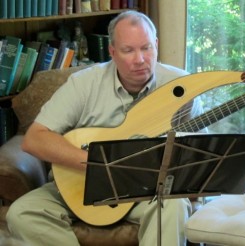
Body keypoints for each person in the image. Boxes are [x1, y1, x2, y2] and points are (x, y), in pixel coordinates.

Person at [6, 10, 203, 246]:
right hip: (81, 186)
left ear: (157, 45)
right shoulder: (83, 84)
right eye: (128, 50)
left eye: (146, 48)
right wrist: (99, 165)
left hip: (144, 190)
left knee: (173, 204)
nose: (140, 59)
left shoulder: (181, 87)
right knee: (21, 213)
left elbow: (200, 155)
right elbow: (34, 139)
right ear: (112, 51)